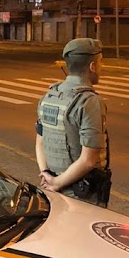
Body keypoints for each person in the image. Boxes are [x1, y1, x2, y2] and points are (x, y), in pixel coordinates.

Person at [35, 37, 111, 206]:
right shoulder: (89, 102)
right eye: (100, 63)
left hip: (52, 188)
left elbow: (40, 142)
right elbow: (88, 160)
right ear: (92, 66)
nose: (101, 68)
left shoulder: (49, 97)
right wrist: (57, 183)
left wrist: (47, 175)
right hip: (81, 194)